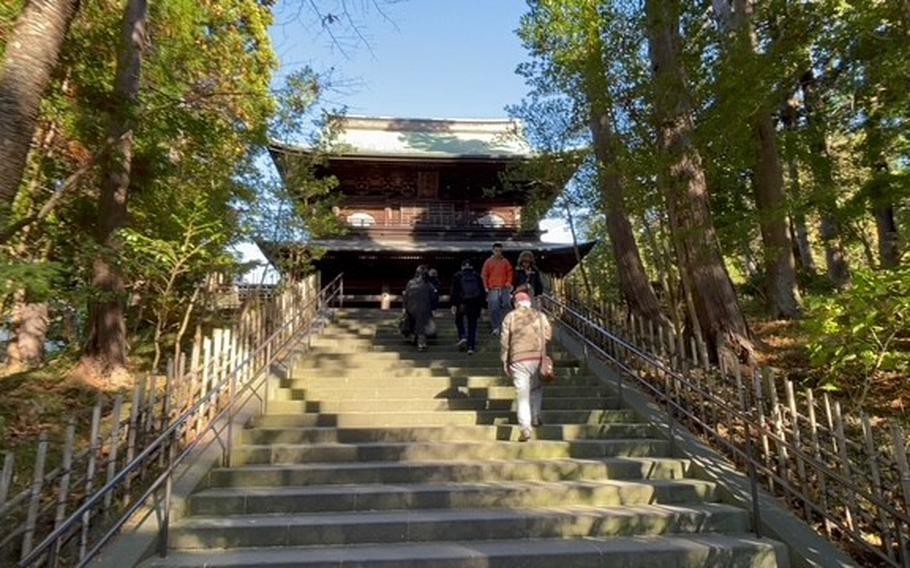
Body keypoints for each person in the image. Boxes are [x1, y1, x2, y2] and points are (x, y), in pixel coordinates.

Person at [500, 290, 552, 442]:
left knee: (522, 393)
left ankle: (525, 427)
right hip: (537, 357)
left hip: (518, 359)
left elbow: (504, 340)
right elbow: (548, 334)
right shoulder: (540, 316)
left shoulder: (510, 316)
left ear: (516, 304)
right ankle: (535, 416)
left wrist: (505, 360)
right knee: (536, 388)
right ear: (529, 303)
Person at [450, 259, 485, 355]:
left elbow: (454, 291)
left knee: (459, 320)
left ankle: (462, 336)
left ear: (462, 267)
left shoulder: (458, 276)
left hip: (462, 303)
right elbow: (481, 291)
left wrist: (454, 304)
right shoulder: (477, 276)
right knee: (472, 325)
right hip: (474, 303)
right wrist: (482, 306)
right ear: (472, 267)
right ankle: (471, 347)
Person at [481, 242, 513, 335]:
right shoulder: (488, 262)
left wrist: (508, 282)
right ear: (493, 251)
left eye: (500, 251)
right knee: (494, 308)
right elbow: (484, 275)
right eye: (496, 251)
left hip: (504, 288)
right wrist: (485, 287)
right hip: (493, 288)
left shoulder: (505, 261)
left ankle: (505, 327)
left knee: (506, 306)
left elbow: (510, 273)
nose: (498, 252)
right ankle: (495, 327)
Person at [403, 265, 435, 351]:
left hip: (411, 307)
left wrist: (405, 307)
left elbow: (406, 296)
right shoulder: (428, 284)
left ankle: (413, 338)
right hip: (424, 307)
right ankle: (421, 343)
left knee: (413, 323)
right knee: (421, 326)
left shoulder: (410, 283)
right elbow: (433, 296)